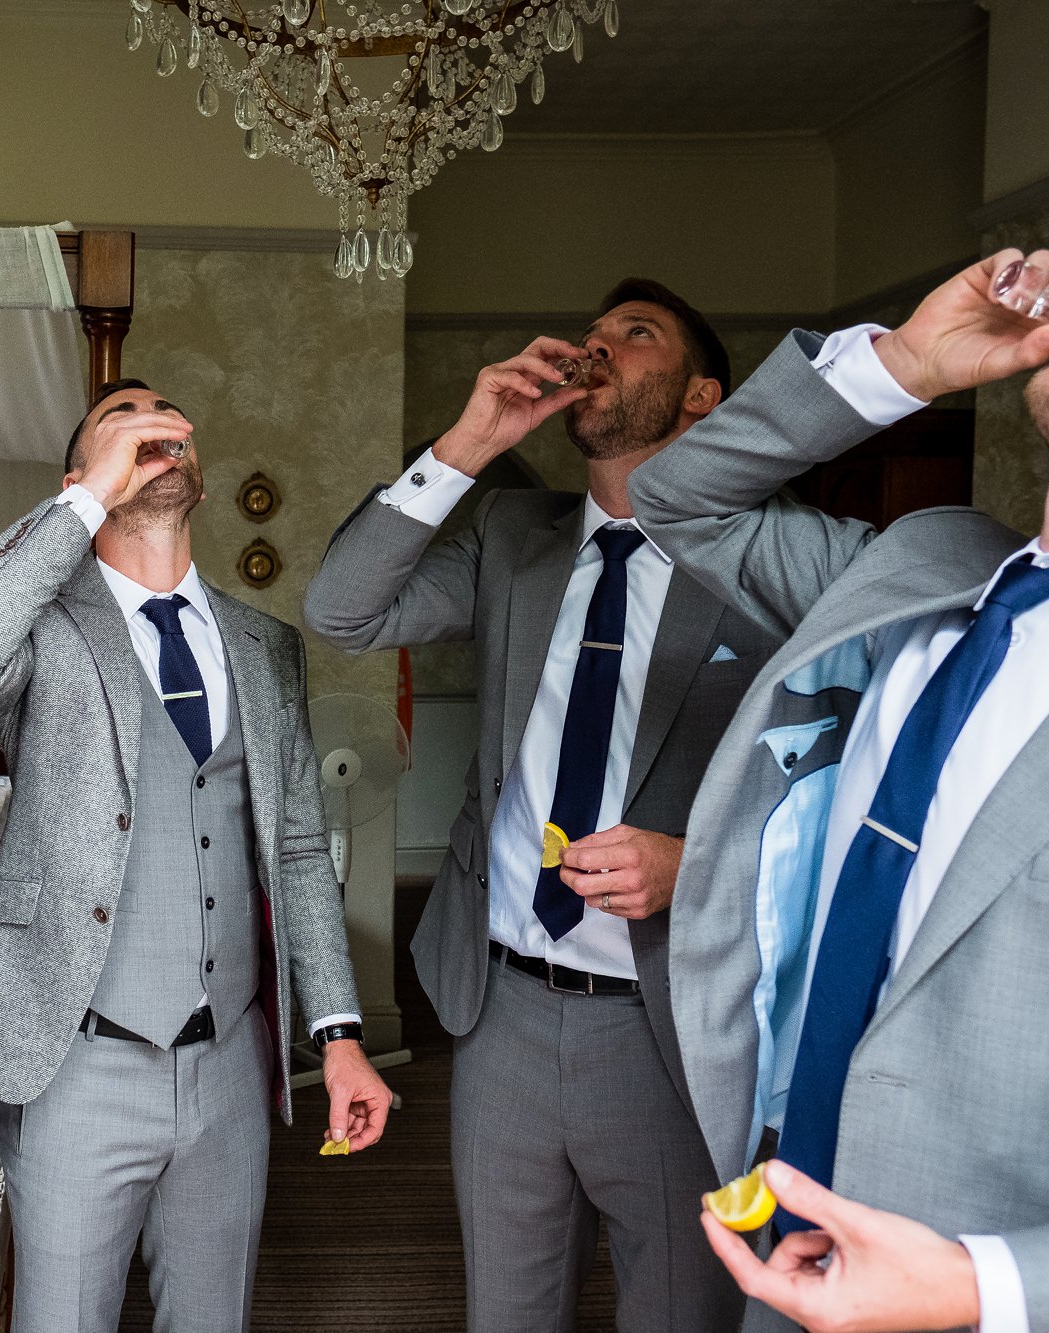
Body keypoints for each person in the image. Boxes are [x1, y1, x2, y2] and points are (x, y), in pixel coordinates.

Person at [625, 249, 1049, 1333]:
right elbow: (674, 499)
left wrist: (988, 1290)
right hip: (785, 1235)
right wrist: (905, 364)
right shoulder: (920, 566)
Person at [303, 280, 774, 1332]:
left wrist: (692, 862)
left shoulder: (769, 561)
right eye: (593, 332)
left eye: (635, 336)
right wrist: (467, 445)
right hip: (500, 1011)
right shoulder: (514, 537)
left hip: (665, 1024)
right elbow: (339, 611)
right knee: (504, 1310)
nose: (596, 348)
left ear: (701, 396)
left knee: (677, 1310)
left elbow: (839, 782)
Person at [0, 380, 393, 1332]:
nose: (155, 430)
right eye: (121, 426)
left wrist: (338, 1036)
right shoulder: (40, 630)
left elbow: (297, 847)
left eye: (169, 422)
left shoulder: (265, 645)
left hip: (229, 1072)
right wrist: (88, 496)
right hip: (78, 1063)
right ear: (83, 473)